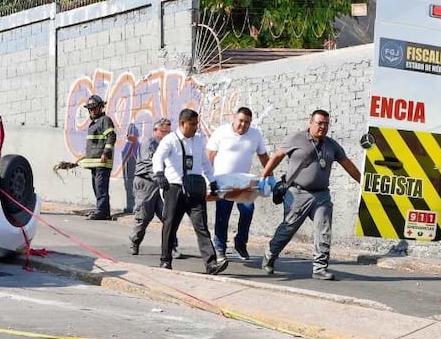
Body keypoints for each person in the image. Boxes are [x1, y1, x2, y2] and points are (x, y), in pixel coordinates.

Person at [258, 109, 361, 280]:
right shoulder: (296, 138)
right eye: (319, 123)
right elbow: (277, 156)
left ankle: (320, 268)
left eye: (326, 124)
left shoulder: (331, 145)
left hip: (321, 195)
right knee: (288, 229)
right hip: (297, 193)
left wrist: (363, 184)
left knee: (324, 228)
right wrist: (265, 175)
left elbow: (347, 164)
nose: (323, 127)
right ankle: (270, 254)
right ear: (310, 122)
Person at [152, 108, 227, 274]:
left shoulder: (199, 139)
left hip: (195, 189)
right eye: (192, 124)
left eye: (196, 124)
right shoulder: (170, 140)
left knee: (201, 226)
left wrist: (212, 181)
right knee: (170, 225)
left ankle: (211, 264)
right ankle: (165, 260)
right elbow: (158, 157)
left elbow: (205, 163)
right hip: (175, 189)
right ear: (182, 124)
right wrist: (159, 174)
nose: (195, 127)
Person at [207, 107, 269, 262]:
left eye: (247, 122)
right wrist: (207, 178)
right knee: (223, 214)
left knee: (248, 210)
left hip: (244, 182)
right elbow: (209, 155)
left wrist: (270, 176)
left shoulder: (255, 135)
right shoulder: (221, 132)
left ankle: (240, 243)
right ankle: (220, 247)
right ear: (234, 118)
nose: (243, 125)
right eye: (241, 121)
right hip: (222, 181)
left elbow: (263, 156)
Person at [128, 118, 183, 258]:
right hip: (146, 183)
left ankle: (172, 247)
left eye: (168, 131)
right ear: (155, 130)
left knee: (167, 218)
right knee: (144, 216)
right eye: (163, 131)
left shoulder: (168, 143)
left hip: (161, 185)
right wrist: (161, 177)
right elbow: (149, 164)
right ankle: (135, 241)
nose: (166, 134)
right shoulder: (149, 142)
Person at [77, 94, 116, 220]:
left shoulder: (105, 120)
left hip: (102, 161)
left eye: (94, 108)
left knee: (100, 187)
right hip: (94, 162)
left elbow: (111, 136)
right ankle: (104, 211)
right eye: (89, 109)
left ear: (100, 107)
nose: (91, 111)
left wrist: (106, 153)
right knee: (97, 186)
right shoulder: (94, 123)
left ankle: (102, 211)